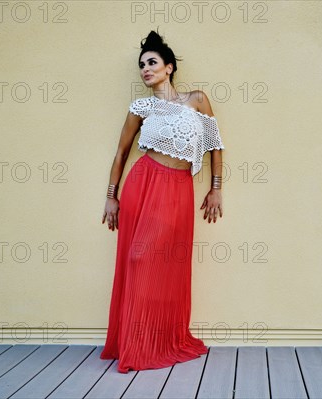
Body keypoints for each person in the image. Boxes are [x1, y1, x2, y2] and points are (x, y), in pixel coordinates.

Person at [99, 30, 225, 373]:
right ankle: (136, 345)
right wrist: (112, 197)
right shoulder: (141, 107)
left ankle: (162, 339)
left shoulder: (197, 100)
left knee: (169, 264)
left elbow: (215, 146)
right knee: (139, 257)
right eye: (141, 65)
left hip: (179, 190)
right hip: (144, 182)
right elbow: (121, 153)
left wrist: (215, 188)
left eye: (152, 62)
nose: (145, 69)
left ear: (169, 67)